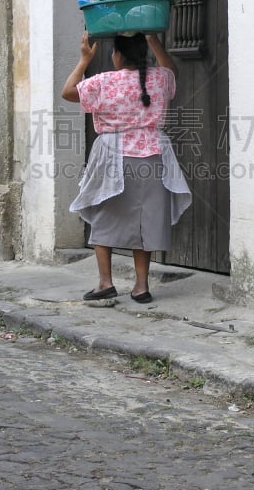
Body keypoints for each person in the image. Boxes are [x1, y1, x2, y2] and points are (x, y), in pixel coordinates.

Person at [61, 31, 191, 304]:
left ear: (117, 55)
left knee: (103, 212)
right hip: (153, 155)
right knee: (145, 218)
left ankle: (105, 283)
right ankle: (141, 286)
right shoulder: (160, 79)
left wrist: (84, 60)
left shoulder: (104, 82)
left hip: (113, 156)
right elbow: (172, 69)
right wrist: (154, 40)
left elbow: (68, 92)